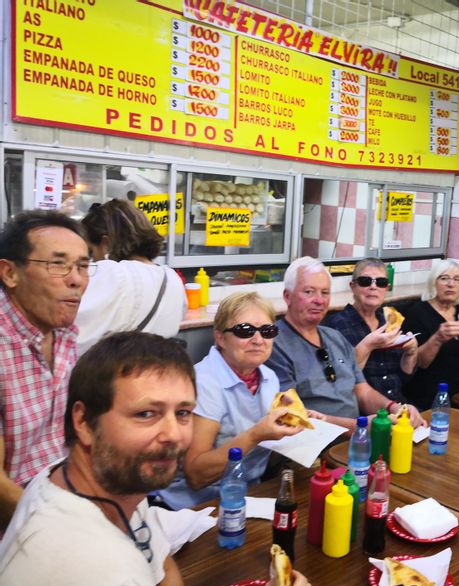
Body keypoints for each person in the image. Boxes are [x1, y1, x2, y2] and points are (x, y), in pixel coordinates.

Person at [0, 332, 194, 586]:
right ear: (84, 422)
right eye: (146, 414)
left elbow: (162, 564)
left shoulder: (105, 480)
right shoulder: (108, 580)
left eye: (182, 413)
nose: (173, 434)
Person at [160, 292, 312, 509]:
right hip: (197, 504)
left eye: (267, 331)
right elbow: (196, 476)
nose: (258, 340)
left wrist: (293, 423)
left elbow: (263, 455)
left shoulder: (268, 377)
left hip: (250, 492)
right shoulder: (203, 383)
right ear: (220, 337)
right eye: (245, 331)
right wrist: (256, 435)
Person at [0, 209, 91, 528]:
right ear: (10, 273)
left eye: (82, 265)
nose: (76, 279)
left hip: (68, 496)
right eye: (58, 264)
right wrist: (58, 526)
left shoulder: (65, 334)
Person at [267, 257, 424, 431]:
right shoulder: (273, 345)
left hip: (356, 436)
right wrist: (357, 427)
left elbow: (362, 391)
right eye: (309, 292)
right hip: (314, 446)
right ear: (287, 297)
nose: (319, 300)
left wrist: (395, 408)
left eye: (325, 293)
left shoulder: (335, 337)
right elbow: (292, 416)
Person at [76, 199, 186, 355]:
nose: (91, 259)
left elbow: (77, 334)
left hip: (113, 373)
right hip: (156, 372)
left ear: (106, 243)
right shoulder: (171, 278)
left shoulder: (112, 273)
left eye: (91, 251)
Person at [324, 258, 418, 403]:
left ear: (386, 288)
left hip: (399, 404)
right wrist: (367, 346)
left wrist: (411, 353)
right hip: (362, 411)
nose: (373, 287)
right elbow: (340, 381)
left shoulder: (391, 321)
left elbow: (404, 379)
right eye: (365, 281)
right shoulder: (336, 325)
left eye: (380, 282)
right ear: (353, 286)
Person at [402, 259, 459, 409]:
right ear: (433, 283)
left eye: (457, 279)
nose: (451, 284)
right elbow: (419, 363)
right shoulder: (417, 313)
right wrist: (437, 339)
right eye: (444, 278)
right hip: (430, 395)